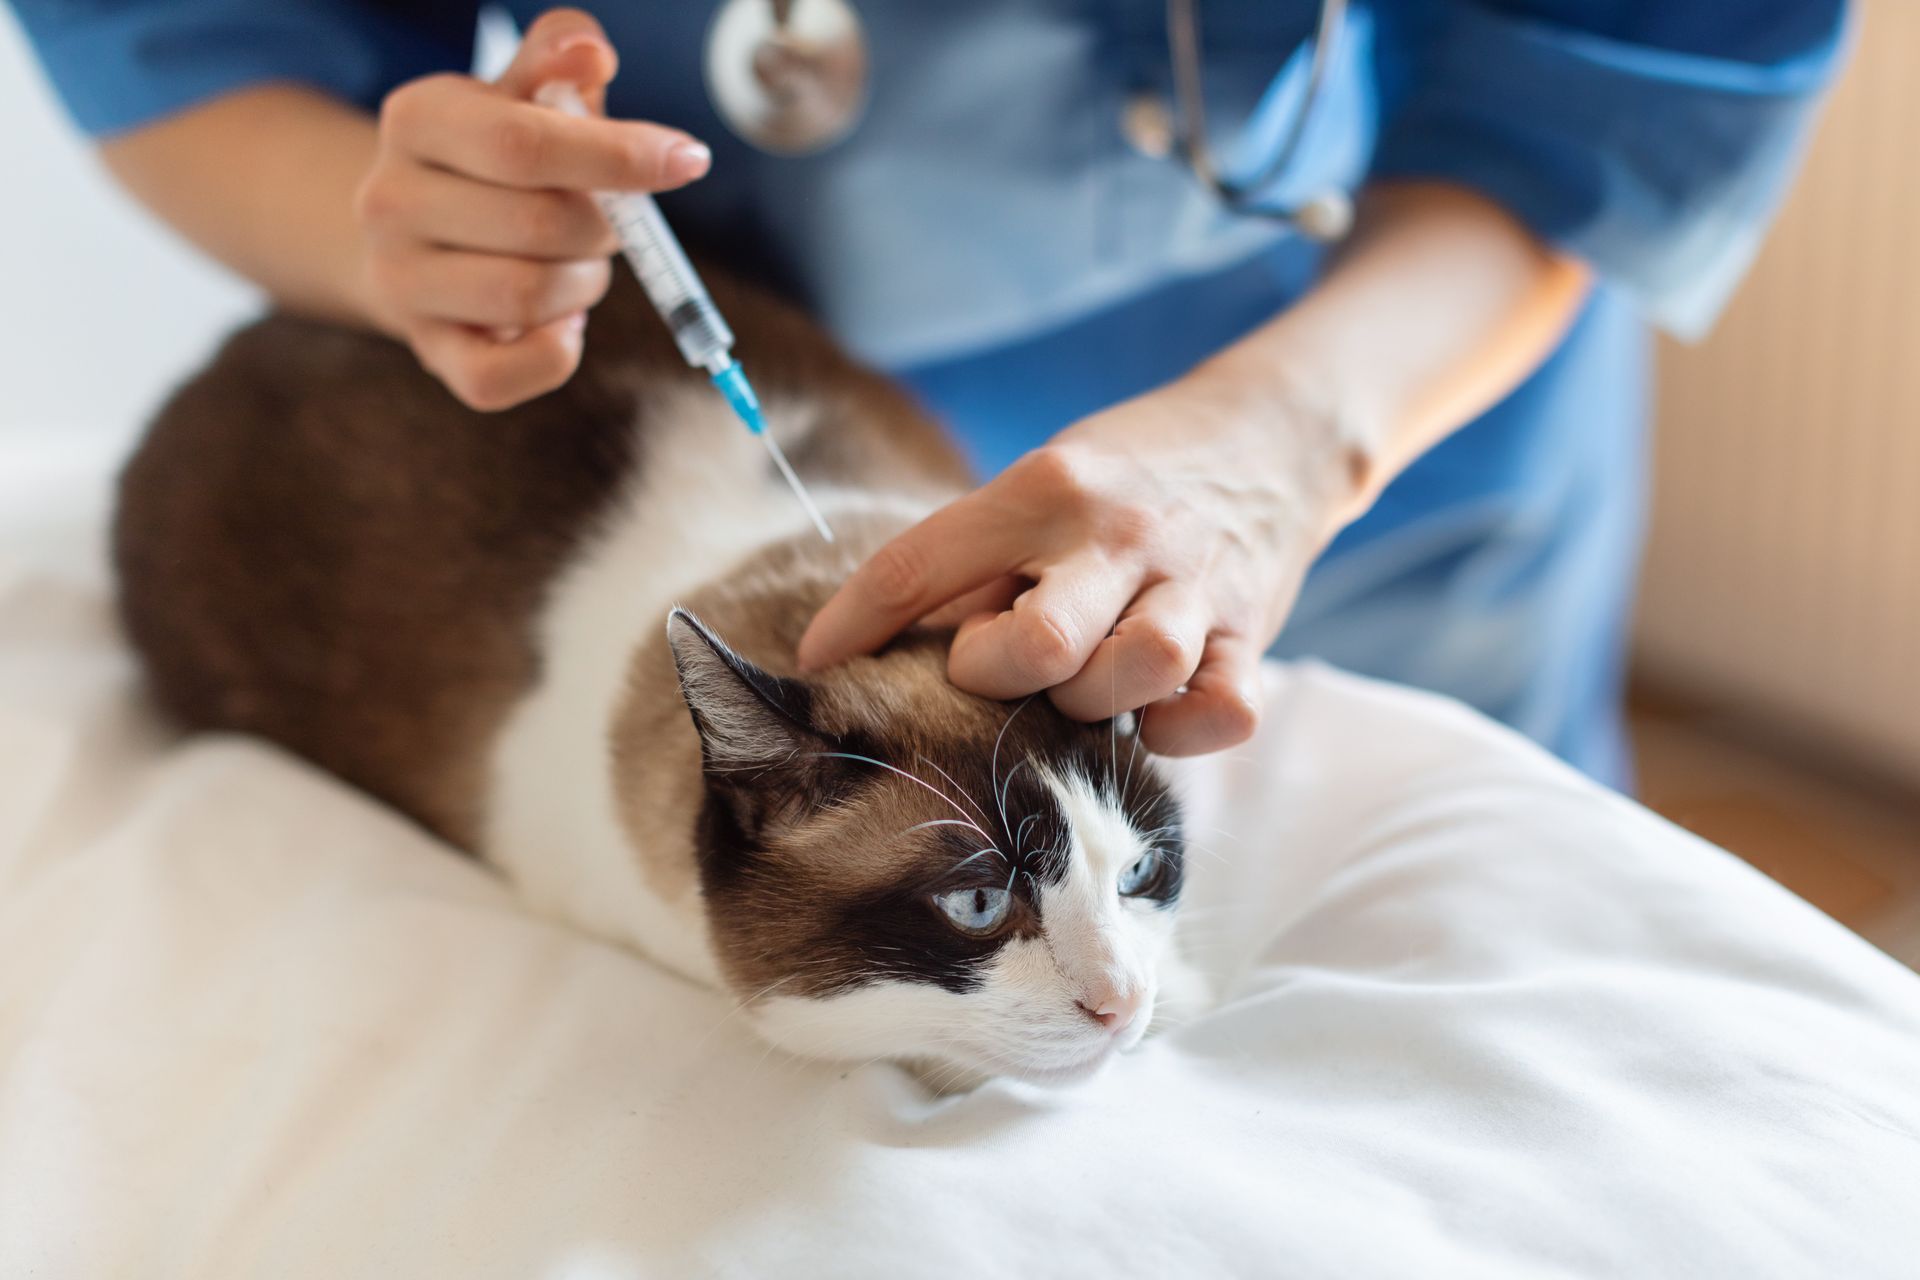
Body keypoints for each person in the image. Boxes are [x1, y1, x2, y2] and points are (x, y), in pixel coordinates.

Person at [10, 1, 1848, 784]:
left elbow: (1630, 65)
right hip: (773, 320)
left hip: (1397, 361)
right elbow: (194, 34)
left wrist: (1297, 435)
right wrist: (407, 227)